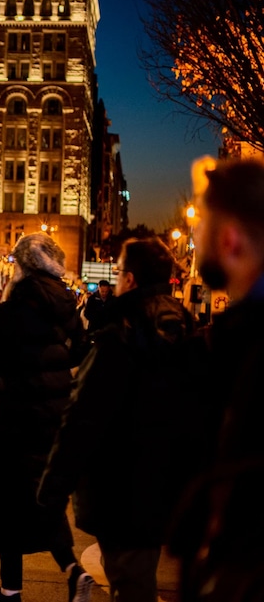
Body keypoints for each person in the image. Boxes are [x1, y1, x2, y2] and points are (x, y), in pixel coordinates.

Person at [39, 237, 205, 602]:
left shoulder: (124, 336)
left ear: (129, 279)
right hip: (169, 486)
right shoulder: (188, 329)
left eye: (116, 273)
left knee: (131, 585)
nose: (113, 281)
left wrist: (53, 487)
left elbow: (82, 419)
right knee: (135, 578)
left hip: (122, 489)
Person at [0, 233, 89, 602]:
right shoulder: (66, 306)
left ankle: (11, 592)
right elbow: (79, 349)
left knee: (6, 501)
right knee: (42, 498)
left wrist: (1, 360)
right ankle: (72, 570)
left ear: (25, 267)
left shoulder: (12, 310)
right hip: (50, 418)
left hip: (13, 420)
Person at [171, 158, 264, 601]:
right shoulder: (237, 342)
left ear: (228, 240)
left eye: (200, 225)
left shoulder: (244, 351)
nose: (194, 237)